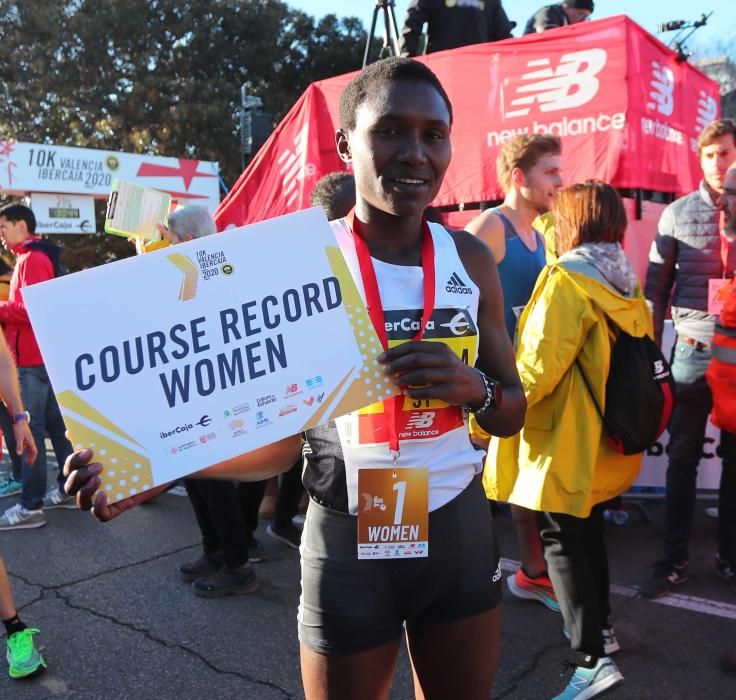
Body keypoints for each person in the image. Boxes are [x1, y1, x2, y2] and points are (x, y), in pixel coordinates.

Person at [64, 56, 526, 700]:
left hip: (457, 531)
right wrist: (157, 463)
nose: (416, 153)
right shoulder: (290, 264)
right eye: (390, 130)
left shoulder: (469, 259)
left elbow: (512, 411)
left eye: (434, 134)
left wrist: (473, 387)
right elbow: (279, 445)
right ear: (345, 144)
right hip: (344, 538)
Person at [487, 181, 652, 698]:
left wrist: (485, 413)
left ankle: (592, 659)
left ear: (571, 220)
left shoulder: (566, 280)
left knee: (561, 543)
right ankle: (600, 631)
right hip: (604, 438)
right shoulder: (623, 277)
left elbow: (535, 371)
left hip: (562, 440)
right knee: (588, 537)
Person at [467, 134, 563, 613]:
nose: (559, 181)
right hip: (486, 386)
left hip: (525, 381)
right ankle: (467, 582)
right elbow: (451, 300)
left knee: (523, 483)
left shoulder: (542, 235)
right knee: (474, 487)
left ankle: (531, 573)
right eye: (550, 172)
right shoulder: (490, 226)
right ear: (519, 177)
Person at [642, 119, 736, 599]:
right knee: (682, 458)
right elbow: (654, 293)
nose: (719, 163)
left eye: (726, 153)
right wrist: (650, 357)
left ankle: (729, 558)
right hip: (692, 353)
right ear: (699, 160)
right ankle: (673, 559)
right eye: (710, 154)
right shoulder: (677, 214)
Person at [154, 205, 268, 594]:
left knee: (214, 480)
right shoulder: (195, 268)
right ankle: (215, 550)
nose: (161, 247)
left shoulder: (215, 269)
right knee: (198, 479)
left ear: (186, 242)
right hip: (197, 398)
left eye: (166, 240)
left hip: (223, 400)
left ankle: (238, 565)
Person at [0, 204, 74, 530]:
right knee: (58, 429)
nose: (1, 234)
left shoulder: (31, 260)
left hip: (31, 361)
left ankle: (30, 506)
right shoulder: (33, 257)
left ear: (21, 226)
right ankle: (71, 487)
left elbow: (31, 310)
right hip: (42, 357)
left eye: (4, 227)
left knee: (30, 432)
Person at [400, 0, 513, 57]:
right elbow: (505, 37)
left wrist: (406, 63)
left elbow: (411, 23)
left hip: (441, 72)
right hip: (477, 72)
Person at [523, 1, 594, 34]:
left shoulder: (568, 23)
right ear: (566, 7)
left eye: (586, 16)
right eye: (580, 14)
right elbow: (547, 36)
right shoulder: (549, 12)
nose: (583, 19)